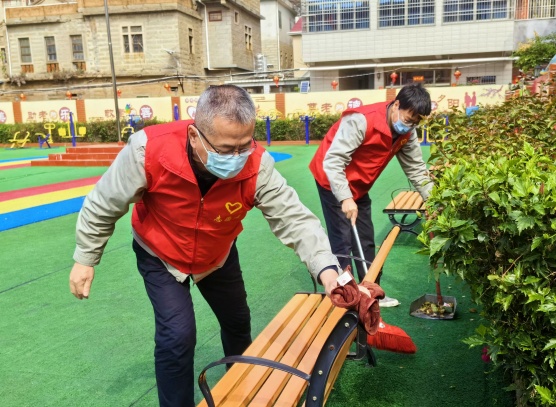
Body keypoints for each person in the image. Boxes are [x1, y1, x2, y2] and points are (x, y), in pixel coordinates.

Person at [69, 85, 351, 407]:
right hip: (160, 253)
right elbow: (104, 202)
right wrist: (86, 258)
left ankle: (244, 386)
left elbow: (296, 220)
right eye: (226, 149)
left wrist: (327, 270)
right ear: (194, 135)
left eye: (245, 145)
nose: (238, 157)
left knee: (237, 321)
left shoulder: (258, 165)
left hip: (217, 253)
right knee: (177, 335)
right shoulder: (147, 150)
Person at [309, 82, 433, 307]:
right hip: (332, 180)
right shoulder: (361, 120)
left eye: (416, 123)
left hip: (360, 185)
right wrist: (345, 198)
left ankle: (371, 293)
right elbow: (334, 161)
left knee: (365, 239)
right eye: (408, 119)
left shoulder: (407, 133)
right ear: (396, 105)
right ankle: (345, 297)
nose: (410, 126)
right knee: (342, 241)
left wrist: (433, 202)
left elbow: (416, 170)